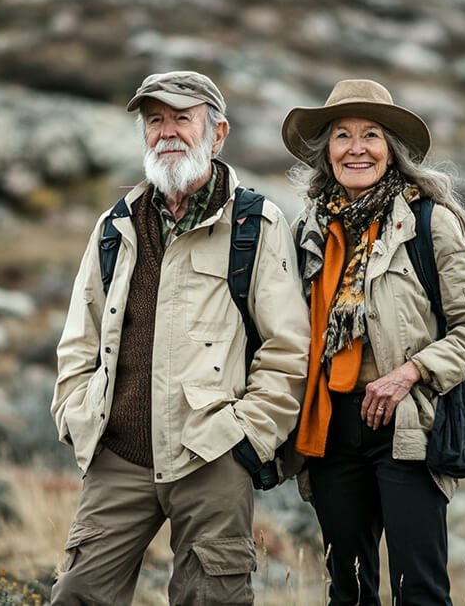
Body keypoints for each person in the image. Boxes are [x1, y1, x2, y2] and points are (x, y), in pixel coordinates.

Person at [50, 70, 310, 605]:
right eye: (155, 120)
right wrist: (77, 416)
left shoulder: (256, 224)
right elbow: (80, 340)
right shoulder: (114, 226)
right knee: (77, 594)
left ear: (217, 134)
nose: (167, 131)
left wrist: (247, 439)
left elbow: (289, 351)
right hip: (119, 456)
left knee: (210, 599)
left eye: (182, 119)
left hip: (212, 454)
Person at [281, 79, 465, 605]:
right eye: (342, 135)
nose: (356, 148)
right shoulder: (305, 230)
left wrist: (410, 374)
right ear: (326, 152)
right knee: (349, 593)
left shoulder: (429, 223)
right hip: (330, 429)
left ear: (393, 150)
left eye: (371, 135)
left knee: (419, 591)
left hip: (408, 427)